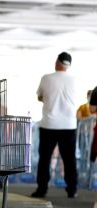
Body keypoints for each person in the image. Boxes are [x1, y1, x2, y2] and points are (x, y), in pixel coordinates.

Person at [31, 52, 79, 199]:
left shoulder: (46, 78)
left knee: (45, 158)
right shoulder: (75, 80)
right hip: (69, 125)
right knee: (69, 159)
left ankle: (42, 189)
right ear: (69, 65)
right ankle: (72, 189)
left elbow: (40, 97)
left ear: (57, 62)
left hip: (49, 124)